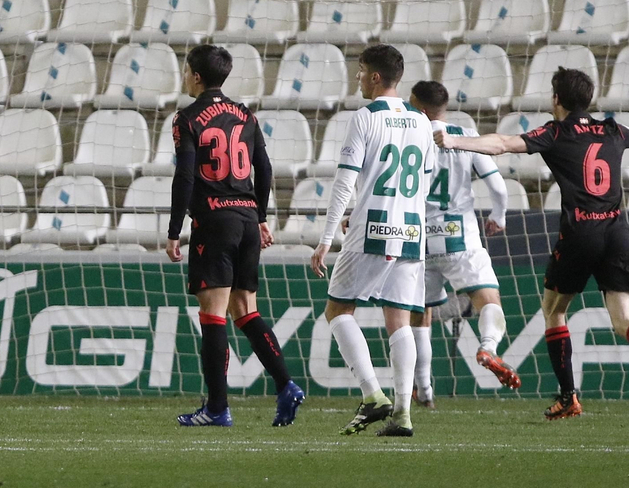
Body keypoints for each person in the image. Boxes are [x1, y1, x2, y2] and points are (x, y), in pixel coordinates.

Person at [437, 68, 629, 423]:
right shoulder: (612, 129)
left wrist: (455, 142)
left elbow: (503, 144)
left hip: (580, 232)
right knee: (623, 317)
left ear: (556, 99)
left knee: (554, 310)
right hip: (616, 231)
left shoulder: (556, 132)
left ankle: (568, 398)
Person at [165, 45, 305, 428]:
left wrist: (174, 230)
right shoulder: (246, 115)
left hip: (214, 220)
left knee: (212, 316)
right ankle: (286, 384)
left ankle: (217, 407)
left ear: (195, 76)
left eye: (185, 70)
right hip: (246, 220)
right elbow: (264, 168)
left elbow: (186, 176)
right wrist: (260, 217)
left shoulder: (186, 118)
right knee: (245, 310)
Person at [310, 44, 437, 438]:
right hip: (413, 231)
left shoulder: (365, 117)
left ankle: (372, 394)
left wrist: (327, 237)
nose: (358, 78)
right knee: (399, 319)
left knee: (337, 310)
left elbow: (346, 180)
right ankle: (403, 413)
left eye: (361, 70)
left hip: (372, 229)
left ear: (376, 77)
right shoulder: (421, 121)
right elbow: (426, 180)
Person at [408, 80, 518, 407]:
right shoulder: (464, 136)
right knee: (488, 299)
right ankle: (487, 347)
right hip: (460, 237)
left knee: (421, 315)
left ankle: (424, 390)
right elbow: (498, 187)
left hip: (419, 240)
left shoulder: (407, 138)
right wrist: (498, 216)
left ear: (421, 109)